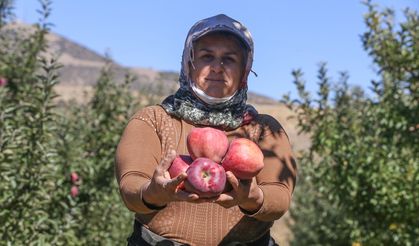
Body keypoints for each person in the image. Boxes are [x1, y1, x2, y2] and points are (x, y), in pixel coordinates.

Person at [115, 14, 297, 246]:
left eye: (229, 59)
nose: (217, 68)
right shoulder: (154, 119)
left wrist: (254, 198)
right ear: (189, 64)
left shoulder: (263, 129)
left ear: (245, 71)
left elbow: (279, 196)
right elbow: (130, 184)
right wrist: (153, 192)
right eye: (206, 56)